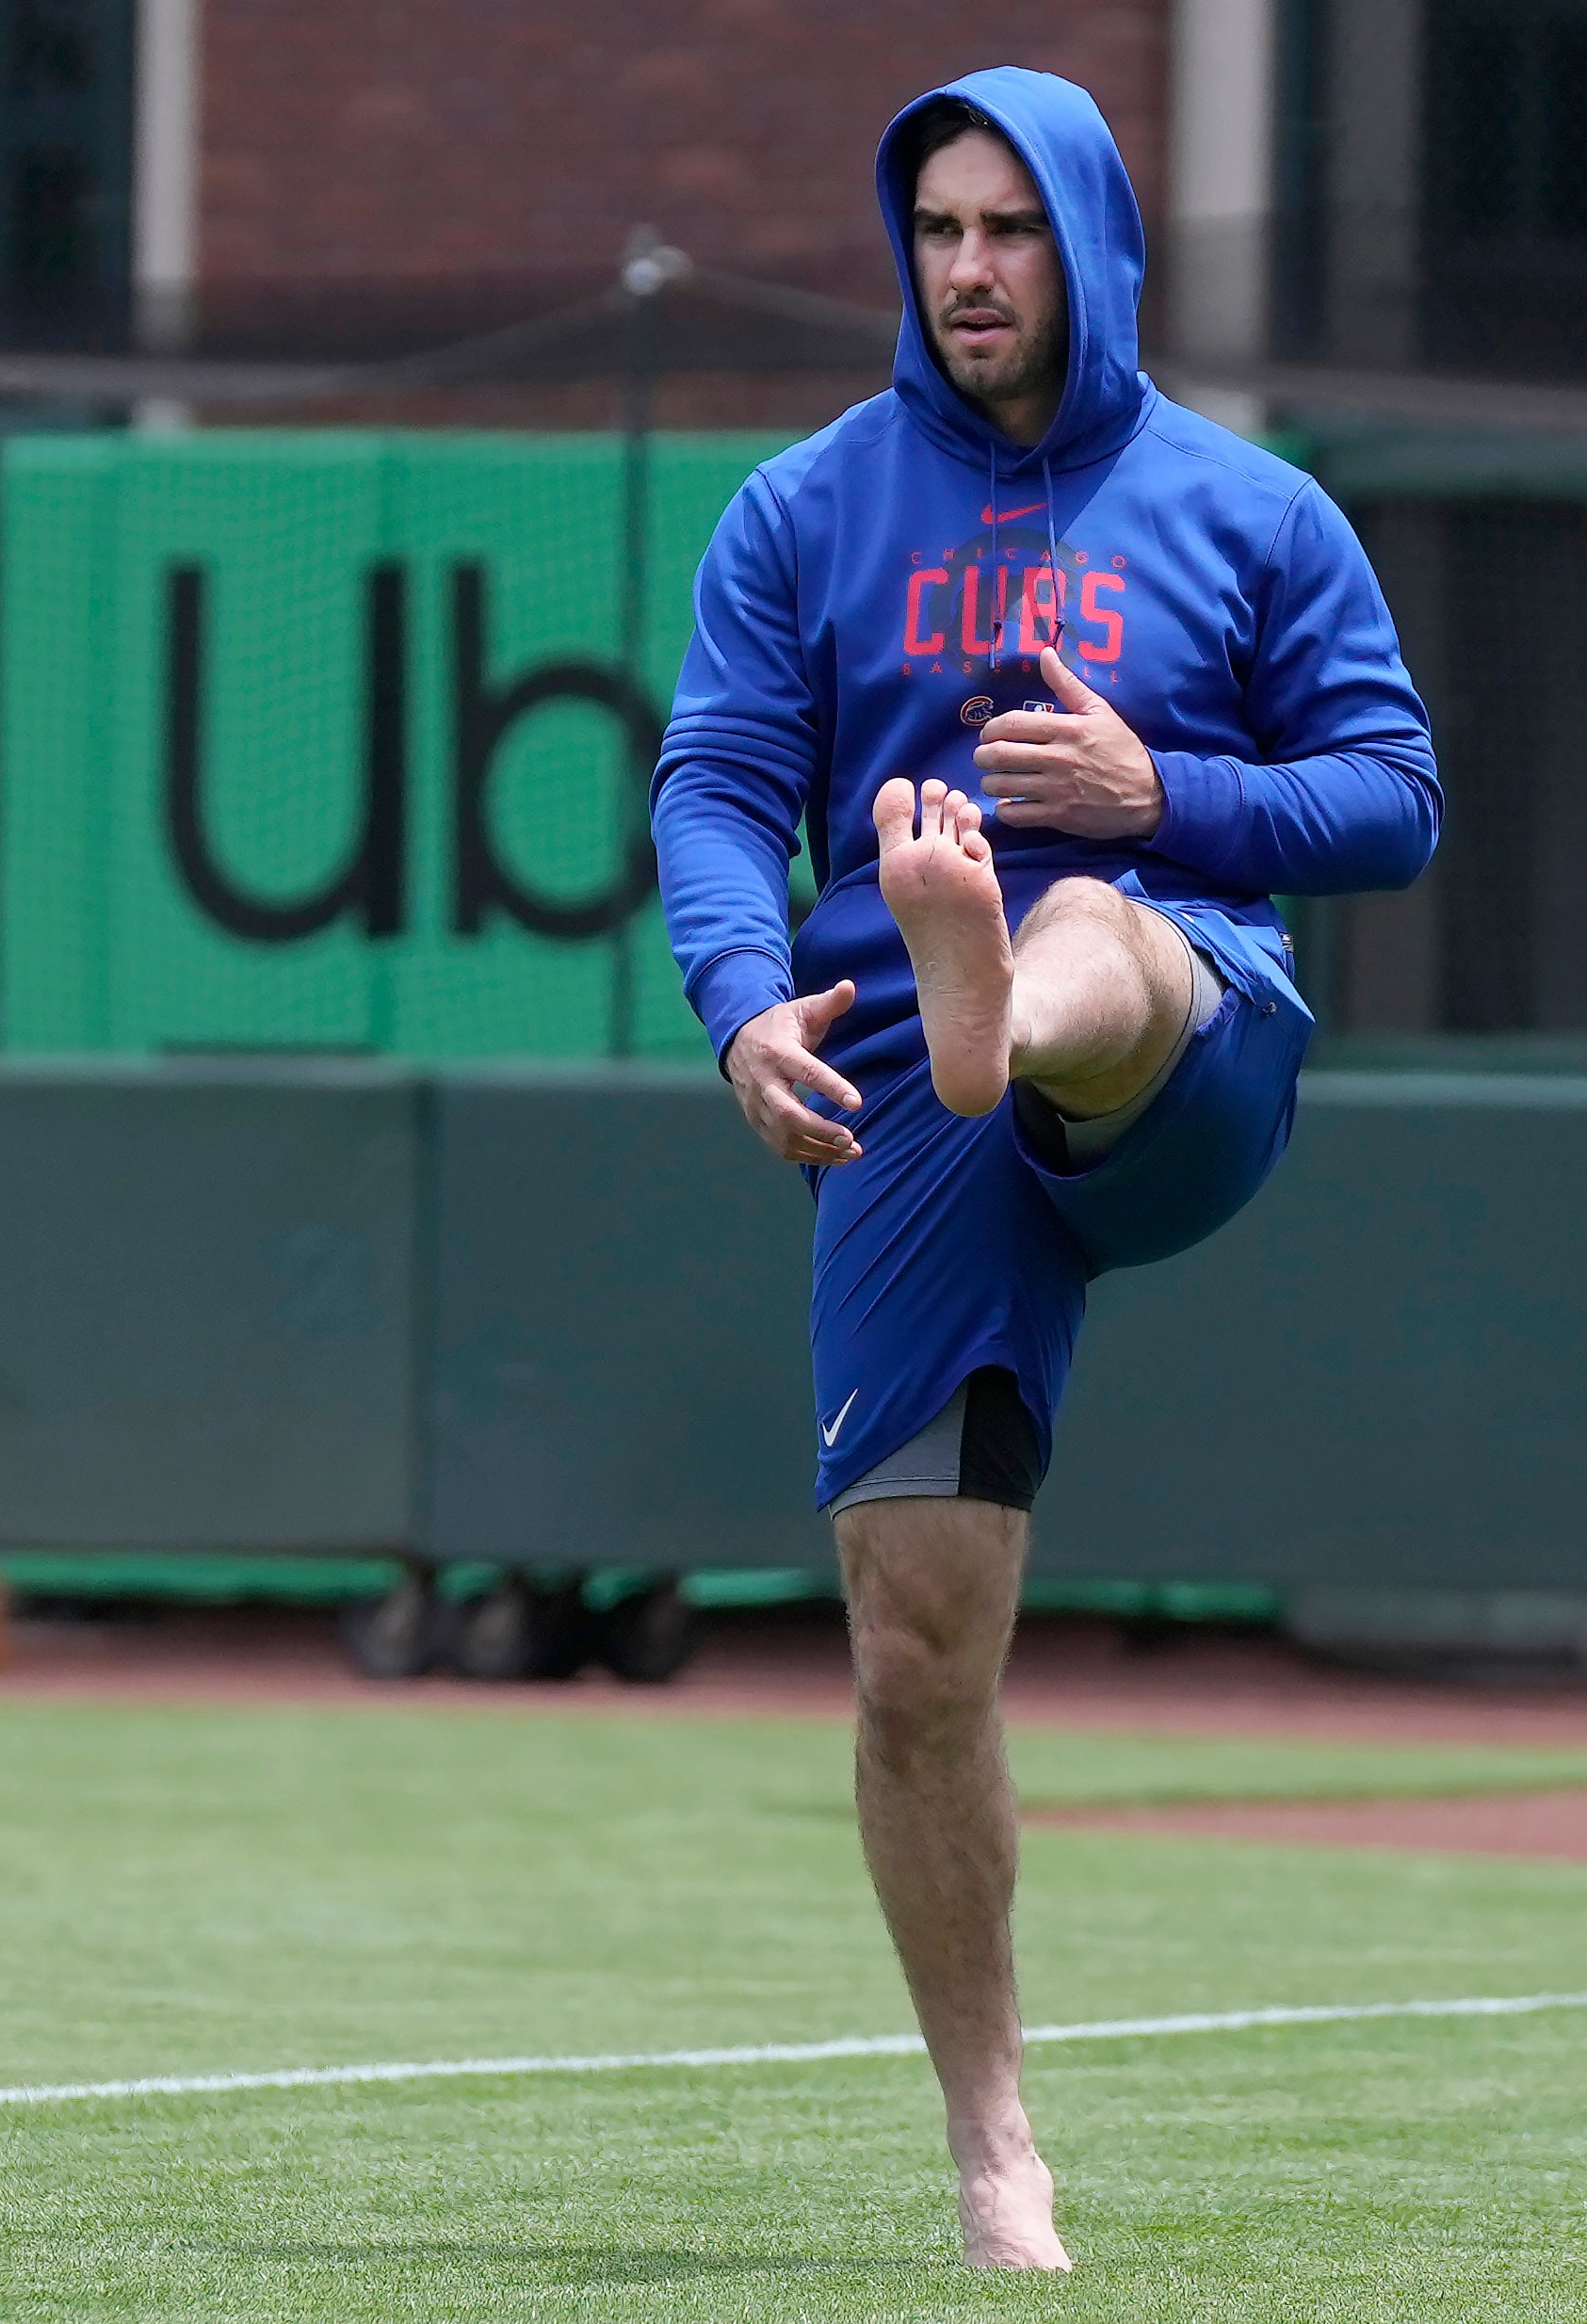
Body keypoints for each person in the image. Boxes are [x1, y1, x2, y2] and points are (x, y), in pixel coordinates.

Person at [648, 66, 1439, 2272]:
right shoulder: (805, 509)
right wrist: (741, 998)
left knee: (1087, 914)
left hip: (1181, 1034)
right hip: (902, 1087)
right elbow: (716, 785)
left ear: (1090, 242)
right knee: (916, 1650)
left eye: (1011, 229)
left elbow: (1392, 797)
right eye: (940, 233)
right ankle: (999, 2150)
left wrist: (1160, 790)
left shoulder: (1252, 510)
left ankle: (1013, 993)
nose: (972, 269)